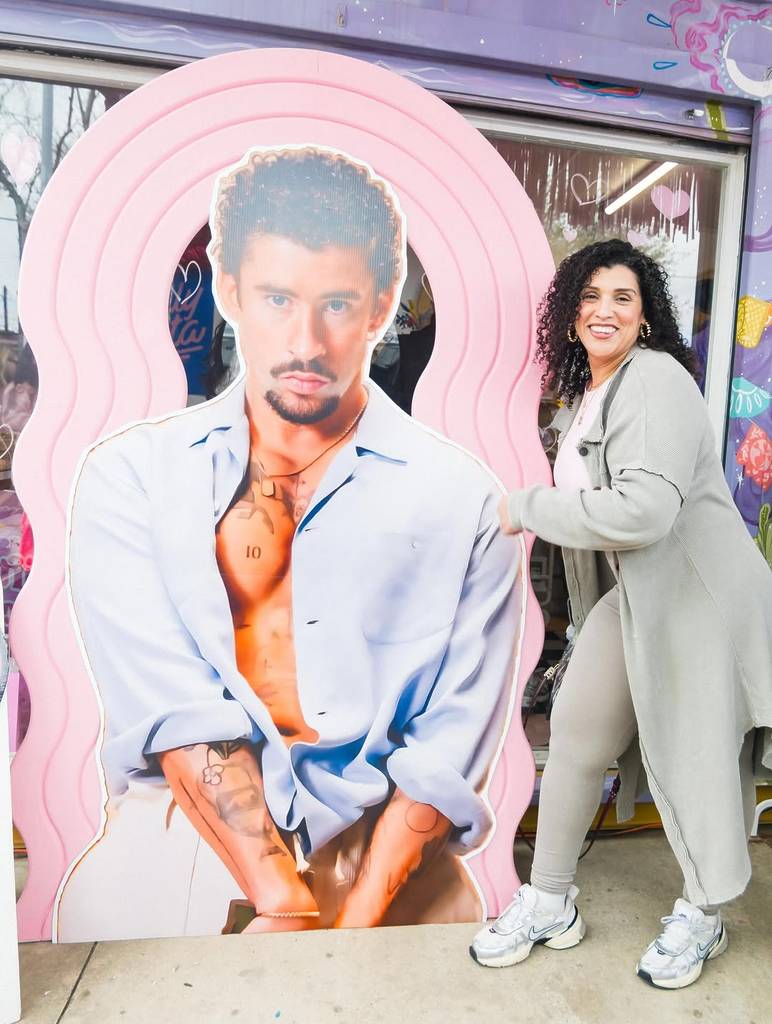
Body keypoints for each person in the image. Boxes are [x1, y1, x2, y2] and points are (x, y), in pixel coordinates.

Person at [57, 146, 520, 941]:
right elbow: (172, 707)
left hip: (395, 867)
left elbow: (451, 737)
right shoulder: (132, 476)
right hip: (181, 848)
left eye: (337, 303)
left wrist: (351, 933)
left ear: (381, 306)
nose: (306, 341)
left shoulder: (463, 496)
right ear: (231, 290)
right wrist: (285, 903)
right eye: (277, 297)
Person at [470, 239, 772, 989]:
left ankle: (704, 913)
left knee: (701, 754)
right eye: (591, 297)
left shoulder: (658, 381)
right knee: (575, 733)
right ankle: (550, 898)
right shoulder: (589, 399)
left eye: (623, 299)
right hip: (639, 598)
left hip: (701, 599)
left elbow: (643, 511)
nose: (605, 310)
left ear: (645, 319)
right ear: (571, 316)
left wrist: (523, 509)